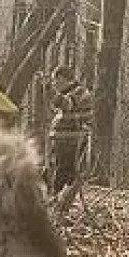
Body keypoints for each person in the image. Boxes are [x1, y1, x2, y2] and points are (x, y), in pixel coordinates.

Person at [47, 64, 94, 196]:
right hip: (65, 139)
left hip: (72, 139)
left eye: (55, 81)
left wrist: (49, 90)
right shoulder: (70, 92)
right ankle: (58, 197)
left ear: (62, 79)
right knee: (57, 168)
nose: (55, 84)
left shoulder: (79, 92)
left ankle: (58, 199)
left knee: (64, 171)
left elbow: (66, 104)